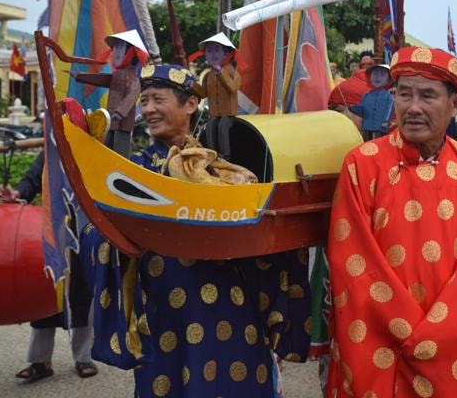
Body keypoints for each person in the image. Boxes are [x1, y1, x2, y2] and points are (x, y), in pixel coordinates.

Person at [80, 64, 310, 397]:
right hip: (165, 311)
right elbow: (98, 231)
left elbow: (261, 231)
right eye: (143, 101)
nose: (148, 110)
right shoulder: (133, 172)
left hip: (233, 304)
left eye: (157, 99)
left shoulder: (220, 165)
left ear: (190, 104)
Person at [327, 46, 457, 397]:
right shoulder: (363, 164)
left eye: (428, 95)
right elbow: (353, 261)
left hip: (453, 341)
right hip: (380, 340)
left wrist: (440, 333)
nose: (414, 107)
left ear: (455, 104)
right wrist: (407, 329)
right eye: (404, 94)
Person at [0, 152, 98, 382]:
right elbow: (31, 179)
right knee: (43, 293)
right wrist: (18, 193)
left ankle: (84, 357)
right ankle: (40, 360)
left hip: (83, 231)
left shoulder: (93, 146)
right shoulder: (51, 149)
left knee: (82, 295)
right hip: (51, 232)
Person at [73, 30, 149, 155]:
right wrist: (80, 77)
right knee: (108, 148)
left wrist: (121, 111)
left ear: (132, 53)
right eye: (116, 48)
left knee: (120, 150)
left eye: (121, 48)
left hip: (122, 122)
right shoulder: (117, 74)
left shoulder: (132, 76)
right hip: (111, 119)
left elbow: (134, 93)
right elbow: (104, 79)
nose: (117, 53)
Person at [200, 32, 241, 117]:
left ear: (226, 53)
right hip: (213, 115)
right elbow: (203, 94)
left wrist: (220, 71)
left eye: (217, 49)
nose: (213, 54)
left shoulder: (232, 72)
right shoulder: (208, 75)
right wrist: (191, 85)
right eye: (209, 51)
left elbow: (233, 88)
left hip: (229, 116)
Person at [349, 63, 394, 140]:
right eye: (375, 74)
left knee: (379, 141)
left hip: (380, 125)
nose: (378, 77)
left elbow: (389, 110)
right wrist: (353, 108)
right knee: (366, 141)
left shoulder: (389, 97)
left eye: (382, 75)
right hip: (367, 124)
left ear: (388, 80)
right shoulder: (366, 95)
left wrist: (386, 121)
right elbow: (363, 110)